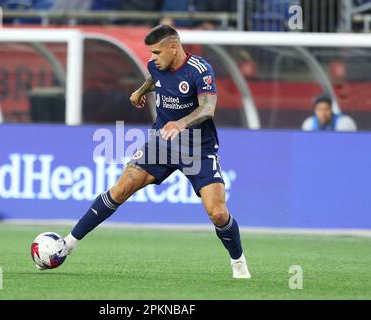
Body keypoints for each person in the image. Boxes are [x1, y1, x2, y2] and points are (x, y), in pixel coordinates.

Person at [53, 25, 251, 279]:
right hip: (161, 144)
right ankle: (67, 244)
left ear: (173, 47)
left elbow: (208, 108)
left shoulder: (200, 70)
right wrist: (140, 91)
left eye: (156, 52)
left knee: (218, 212)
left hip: (197, 148)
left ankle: (238, 261)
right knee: (121, 188)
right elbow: (155, 78)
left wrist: (180, 123)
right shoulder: (156, 65)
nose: (152, 58)